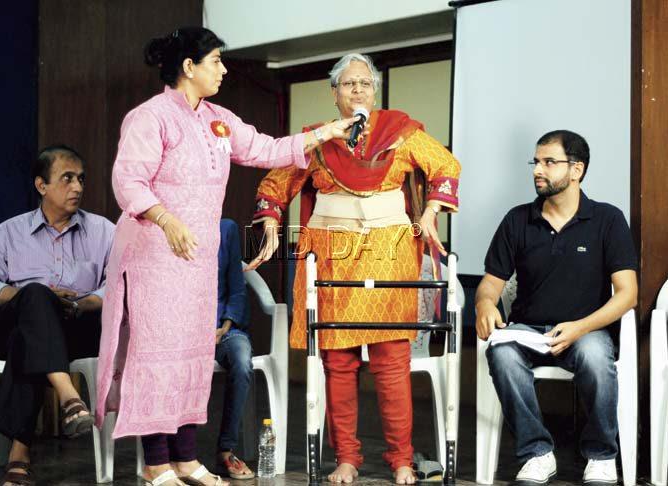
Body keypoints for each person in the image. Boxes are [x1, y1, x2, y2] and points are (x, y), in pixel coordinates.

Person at [94, 27, 361, 486]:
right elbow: (129, 182)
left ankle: (184, 457)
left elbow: (265, 148)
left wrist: (326, 133)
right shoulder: (150, 117)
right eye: (216, 60)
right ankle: (155, 463)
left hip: (196, 264)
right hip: (154, 257)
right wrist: (166, 219)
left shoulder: (218, 119)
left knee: (192, 357)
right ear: (188, 67)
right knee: (157, 358)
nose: (223, 68)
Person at [247, 53, 461, 484]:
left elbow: (446, 167)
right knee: (338, 363)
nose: (358, 90)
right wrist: (271, 220)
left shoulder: (402, 133)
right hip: (330, 254)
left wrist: (432, 211)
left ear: (375, 90)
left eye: (365, 83)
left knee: (392, 361)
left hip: (390, 253)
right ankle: (347, 457)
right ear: (334, 93)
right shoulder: (315, 138)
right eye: (349, 84)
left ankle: (401, 459)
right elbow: (275, 184)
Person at [475, 130, 637, 485]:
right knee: (501, 353)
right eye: (536, 161)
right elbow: (490, 283)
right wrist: (485, 303)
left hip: (586, 330)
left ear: (576, 170)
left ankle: (601, 454)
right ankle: (536, 453)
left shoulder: (608, 220)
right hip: (529, 330)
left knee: (596, 358)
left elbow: (627, 294)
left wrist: (580, 327)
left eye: (549, 162)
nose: (538, 170)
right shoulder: (517, 220)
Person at [0, 145, 114, 486]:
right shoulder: (8, 233)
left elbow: (119, 286)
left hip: (79, 325)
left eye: (81, 179)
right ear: (41, 185)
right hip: (16, 321)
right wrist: (32, 297)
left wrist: (80, 303)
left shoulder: (104, 231)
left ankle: (19, 455)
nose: (78, 187)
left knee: (30, 335)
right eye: (67, 178)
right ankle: (69, 396)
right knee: (35, 297)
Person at [214, 219, 254, 480]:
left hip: (223, 330)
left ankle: (226, 450)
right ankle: (176, 455)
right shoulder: (169, 225)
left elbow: (236, 288)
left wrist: (225, 325)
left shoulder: (226, 228)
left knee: (241, 358)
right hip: (181, 331)